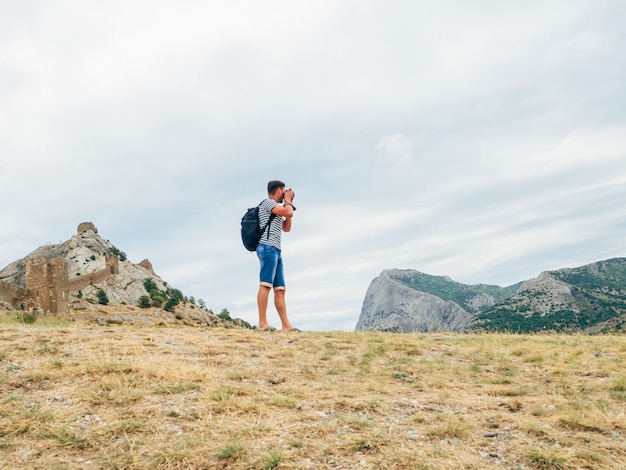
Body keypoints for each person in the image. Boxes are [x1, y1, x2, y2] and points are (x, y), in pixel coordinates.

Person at [256, 180, 300, 332]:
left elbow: (286, 227)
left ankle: (286, 325)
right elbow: (288, 211)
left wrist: (289, 204)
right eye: (283, 192)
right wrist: (287, 202)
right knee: (265, 285)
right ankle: (262, 323)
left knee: (280, 289)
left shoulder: (277, 209)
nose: (285, 195)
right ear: (278, 191)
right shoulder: (267, 204)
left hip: (276, 250)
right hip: (267, 248)